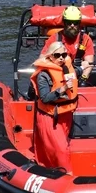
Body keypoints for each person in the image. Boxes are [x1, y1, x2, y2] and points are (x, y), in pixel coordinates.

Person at [30, 42, 78, 172]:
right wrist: (62, 89)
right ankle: (67, 174)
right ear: (50, 57)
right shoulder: (43, 75)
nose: (61, 58)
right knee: (60, 148)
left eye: (64, 54)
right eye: (57, 55)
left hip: (66, 114)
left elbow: (77, 73)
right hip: (50, 116)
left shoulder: (67, 68)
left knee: (65, 146)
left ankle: (56, 170)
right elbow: (45, 98)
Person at [42, 6, 95, 83]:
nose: (72, 25)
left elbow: (89, 65)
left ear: (79, 24)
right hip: (58, 77)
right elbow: (42, 60)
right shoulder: (54, 39)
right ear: (64, 22)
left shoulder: (85, 39)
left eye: (75, 23)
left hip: (79, 77)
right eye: (69, 22)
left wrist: (83, 78)